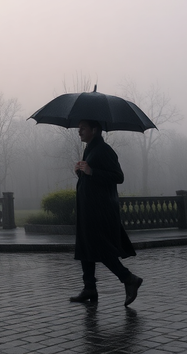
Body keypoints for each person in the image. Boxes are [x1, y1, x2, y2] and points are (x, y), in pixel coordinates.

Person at [70, 120, 143, 306]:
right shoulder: (90, 149)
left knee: (99, 248)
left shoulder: (104, 150)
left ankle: (128, 278)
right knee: (86, 247)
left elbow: (118, 177)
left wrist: (91, 170)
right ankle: (89, 288)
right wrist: (80, 171)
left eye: (82, 128)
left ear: (94, 130)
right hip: (88, 208)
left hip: (100, 210)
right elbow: (91, 177)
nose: (79, 131)